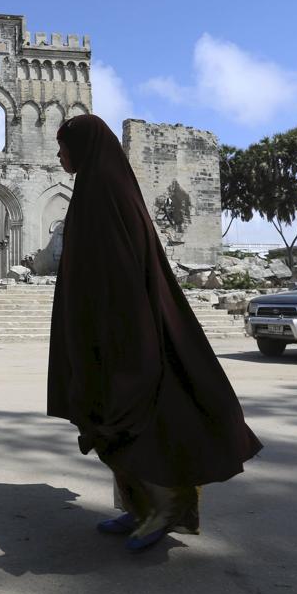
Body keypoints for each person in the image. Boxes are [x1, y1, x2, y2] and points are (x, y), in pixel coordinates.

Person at [47, 114, 263, 553]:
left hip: (122, 327)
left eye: (63, 145)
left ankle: (165, 506)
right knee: (103, 409)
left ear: (84, 146)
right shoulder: (96, 185)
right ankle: (140, 506)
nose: (58, 155)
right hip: (102, 325)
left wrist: (120, 329)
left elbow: (120, 268)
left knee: (130, 410)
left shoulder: (105, 190)